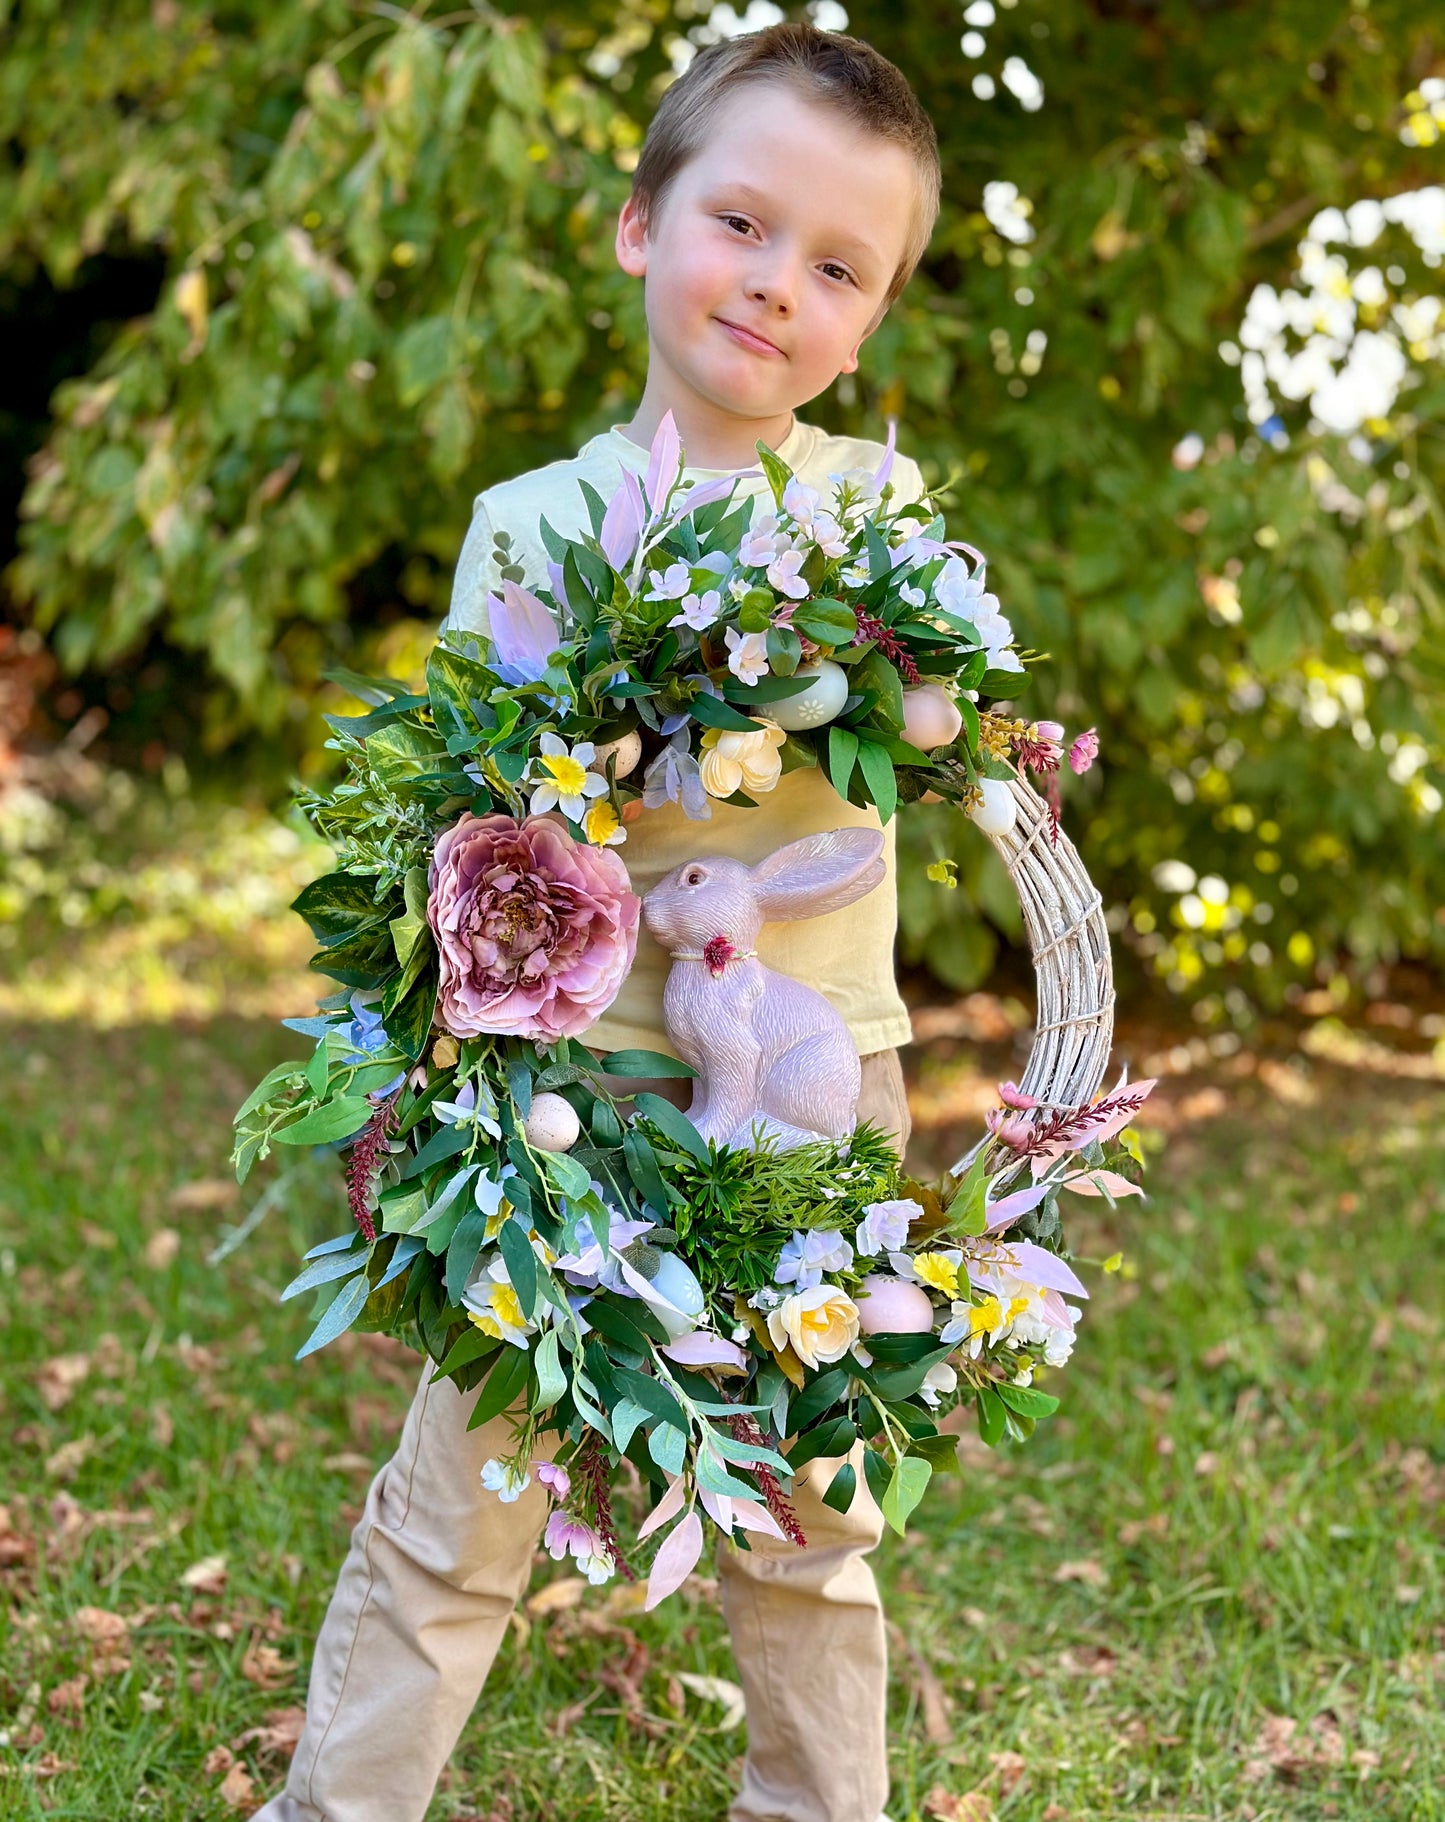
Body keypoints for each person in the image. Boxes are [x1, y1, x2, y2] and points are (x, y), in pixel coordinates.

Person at [257, 21, 941, 1822]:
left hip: (809, 1090)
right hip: (557, 1093)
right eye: (742, 223)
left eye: (838, 267)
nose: (776, 283)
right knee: (465, 1493)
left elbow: (944, 726)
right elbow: (454, 822)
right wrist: (422, 1067)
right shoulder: (532, 525)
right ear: (642, 224)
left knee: (804, 1506)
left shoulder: (874, 519)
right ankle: (339, 1807)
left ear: (870, 323)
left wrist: (896, 672)